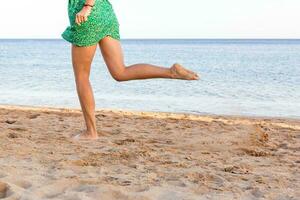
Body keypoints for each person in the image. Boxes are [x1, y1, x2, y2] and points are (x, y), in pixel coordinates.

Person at [61, 0, 200, 139]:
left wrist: (87, 6)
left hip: (87, 15)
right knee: (120, 72)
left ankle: (91, 132)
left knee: (82, 77)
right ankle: (171, 71)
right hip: (105, 14)